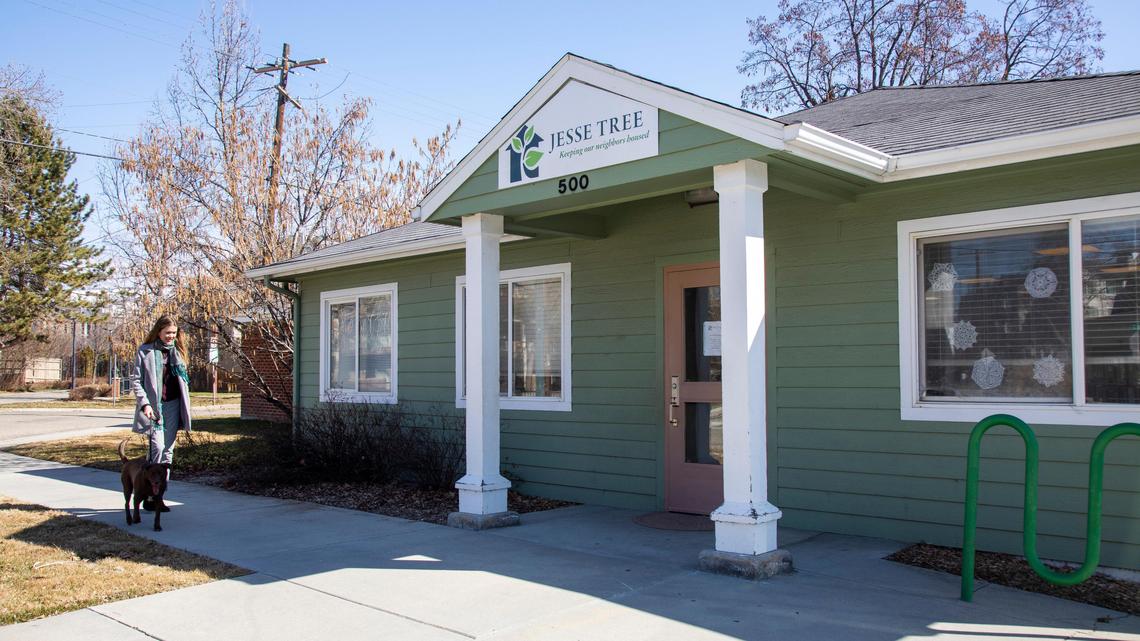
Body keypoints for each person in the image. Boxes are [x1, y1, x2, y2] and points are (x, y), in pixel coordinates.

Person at [131, 315, 192, 511]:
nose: (171, 337)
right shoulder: (145, 351)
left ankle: (159, 497)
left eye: (174, 333)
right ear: (158, 331)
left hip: (174, 405)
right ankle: (147, 495)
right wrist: (145, 404)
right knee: (156, 447)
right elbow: (136, 381)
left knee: (168, 452)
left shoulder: (178, 353)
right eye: (167, 333)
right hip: (155, 406)